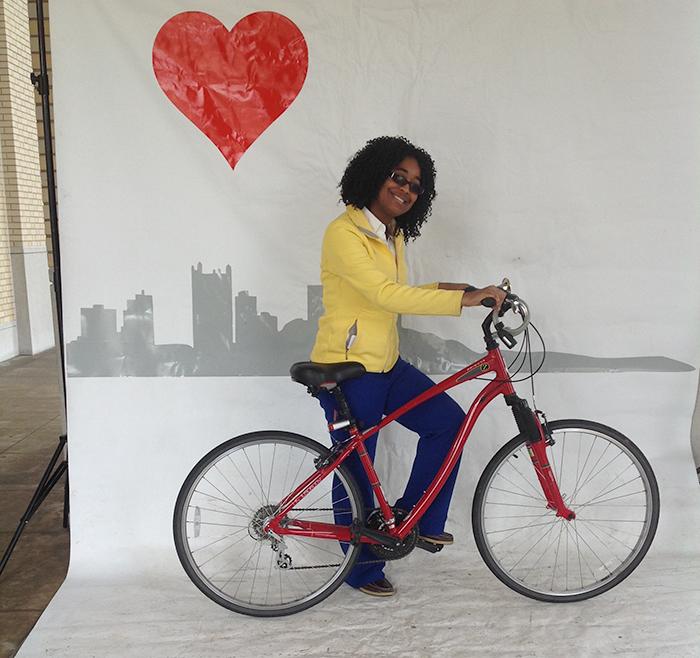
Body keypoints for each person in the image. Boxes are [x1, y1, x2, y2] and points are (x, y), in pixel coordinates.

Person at [310, 136, 506, 597]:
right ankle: (361, 569)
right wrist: (461, 300)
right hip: (348, 369)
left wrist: (458, 287)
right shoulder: (345, 233)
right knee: (356, 468)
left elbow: (397, 288)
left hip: (387, 365)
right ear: (373, 174)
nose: (406, 189)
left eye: (416, 185)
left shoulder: (389, 233)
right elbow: (383, 295)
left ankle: (416, 521)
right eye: (398, 177)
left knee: (447, 424)